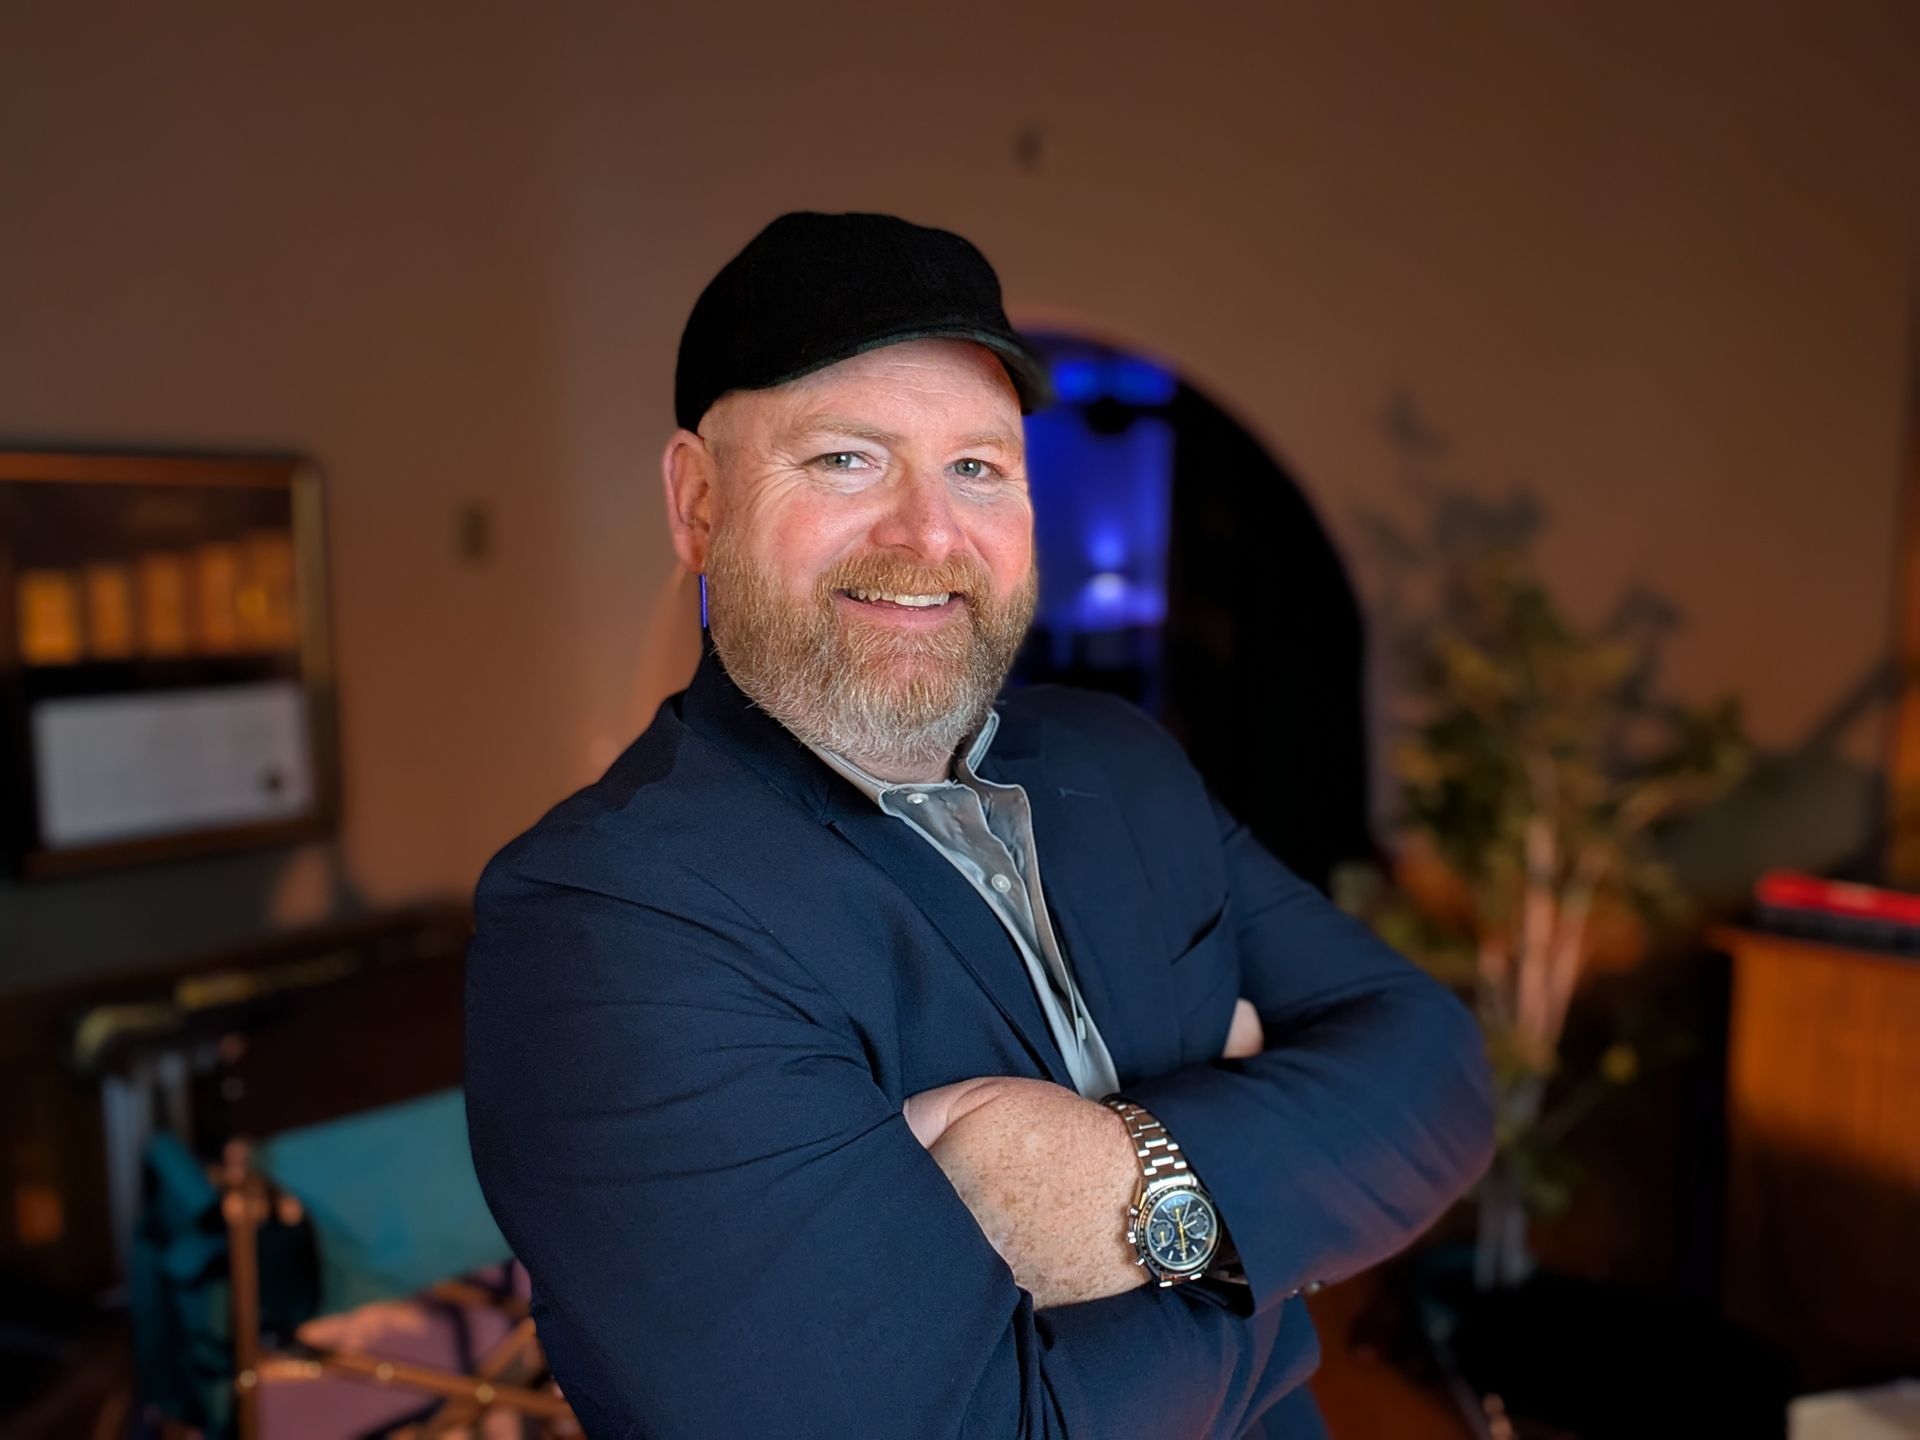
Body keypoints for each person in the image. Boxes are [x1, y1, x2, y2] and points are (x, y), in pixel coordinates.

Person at [465, 211, 1495, 1439]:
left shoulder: (1123, 762)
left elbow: (1440, 1073)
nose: (928, 535)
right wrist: (1258, 1263)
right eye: (846, 458)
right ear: (697, 502)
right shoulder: (612, 919)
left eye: (978, 466)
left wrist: (1132, 1181)